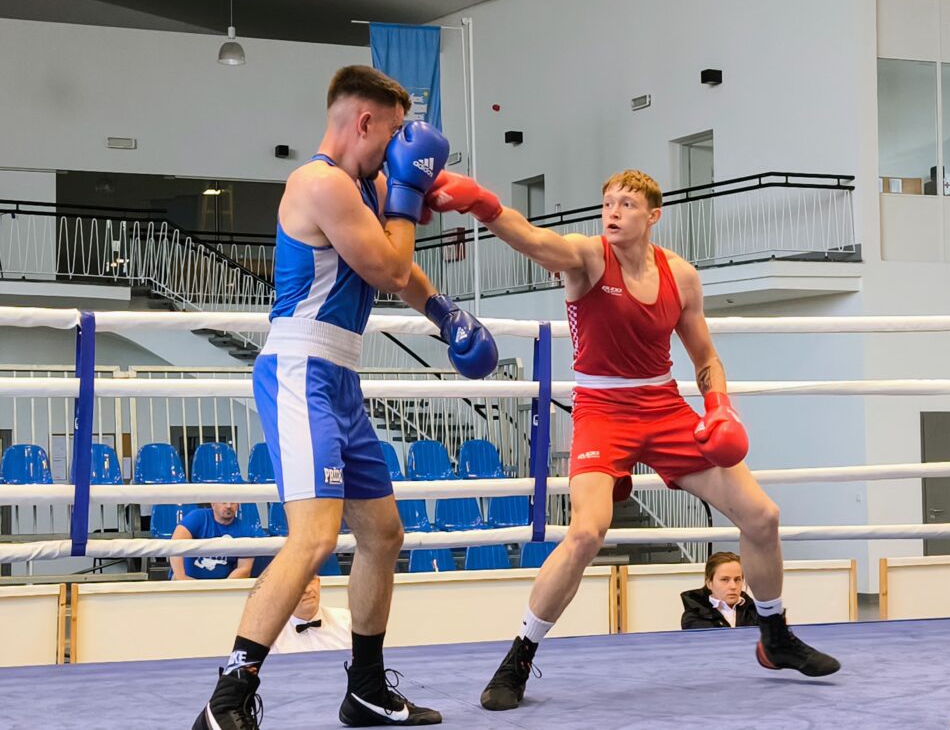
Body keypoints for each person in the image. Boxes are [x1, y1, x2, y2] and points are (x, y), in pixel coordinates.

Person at [423, 167, 841, 713]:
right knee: (586, 532)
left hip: (663, 407)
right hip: (602, 411)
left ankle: (775, 635)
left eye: (626, 204)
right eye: (607, 203)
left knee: (762, 516)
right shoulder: (588, 257)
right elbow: (533, 241)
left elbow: (705, 357)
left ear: (653, 215)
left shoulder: (680, 276)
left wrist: (719, 406)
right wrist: (482, 203)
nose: (613, 213)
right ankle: (519, 656)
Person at [193, 64, 498, 730]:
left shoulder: (367, 186)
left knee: (383, 534)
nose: (396, 148)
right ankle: (226, 701)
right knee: (313, 539)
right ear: (364, 122)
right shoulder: (320, 183)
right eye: (392, 132)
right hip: (300, 369)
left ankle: (364, 690)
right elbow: (388, 266)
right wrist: (407, 193)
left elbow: (399, 265)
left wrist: (443, 312)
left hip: (340, 376)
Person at [170, 502, 259, 581]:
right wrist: (182, 579)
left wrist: (220, 589)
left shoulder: (245, 530)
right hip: (188, 581)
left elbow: (244, 569)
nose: (229, 506)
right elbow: (175, 547)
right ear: (213, 504)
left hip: (223, 586)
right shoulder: (197, 517)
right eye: (224, 502)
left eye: (233, 502)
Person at [271, 576, 353, 654]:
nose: (308, 589)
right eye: (298, 584)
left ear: (318, 582)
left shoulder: (348, 622)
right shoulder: (271, 638)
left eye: (311, 580)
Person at [681, 551, 760, 630]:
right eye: (724, 580)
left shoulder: (755, 612)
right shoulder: (694, 616)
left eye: (737, 579)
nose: (733, 586)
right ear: (709, 583)